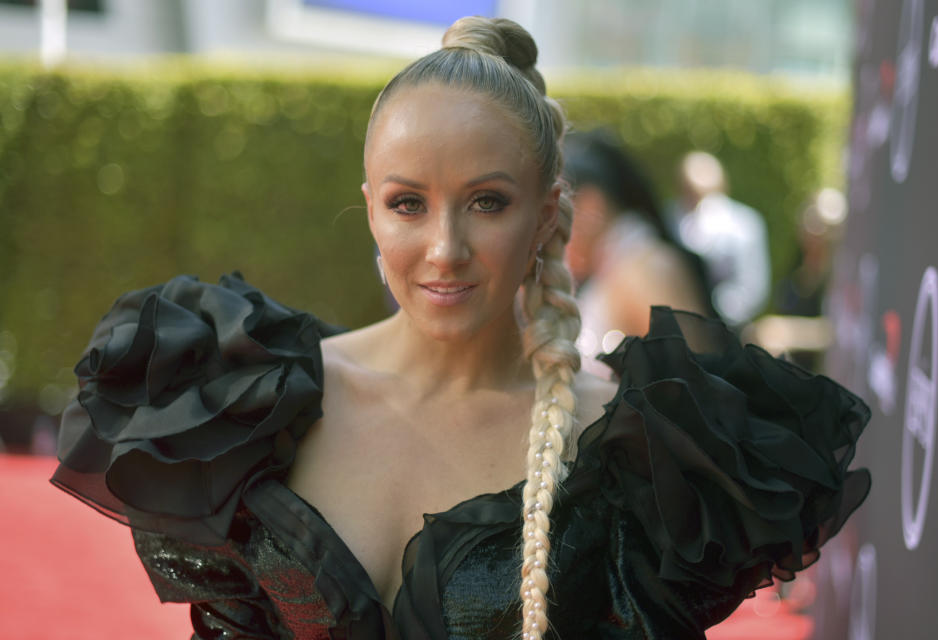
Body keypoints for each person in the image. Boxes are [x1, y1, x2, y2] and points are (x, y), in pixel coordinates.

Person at [51, 17, 871, 640]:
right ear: (370, 206)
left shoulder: (639, 451)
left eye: (488, 202)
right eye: (409, 203)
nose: (444, 250)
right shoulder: (243, 403)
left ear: (548, 214)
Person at [563, 130, 715, 377]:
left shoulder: (646, 267)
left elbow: (688, 388)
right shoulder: (624, 263)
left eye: (552, 212)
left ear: (591, 206)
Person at [670, 151, 772, 329]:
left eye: (701, 193)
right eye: (688, 192)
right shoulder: (670, 220)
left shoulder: (744, 226)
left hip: (727, 329)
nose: (695, 200)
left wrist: (709, 312)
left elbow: (752, 288)